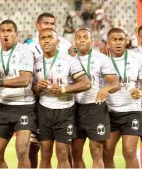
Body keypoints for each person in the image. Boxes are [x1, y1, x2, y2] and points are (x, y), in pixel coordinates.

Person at [33, 28, 90, 168]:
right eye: (43, 38)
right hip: (43, 110)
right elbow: (32, 90)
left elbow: (85, 83)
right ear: (39, 42)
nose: (46, 40)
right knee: (45, 153)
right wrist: (37, 87)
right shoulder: (35, 62)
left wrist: (63, 89)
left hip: (65, 111)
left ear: (57, 42)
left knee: (63, 154)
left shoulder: (69, 60)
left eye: (50, 37)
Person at [22, 12, 72, 168]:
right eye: (46, 23)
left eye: (52, 24)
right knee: (35, 146)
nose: (49, 26)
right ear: (38, 26)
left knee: (64, 148)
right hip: (36, 99)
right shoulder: (27, 46)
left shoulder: (65, 44)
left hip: (62, 99)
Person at [0, 20, 35, 168]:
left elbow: (25, 80)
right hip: (4, 107)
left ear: (16, 34)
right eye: (3, 31)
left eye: (9, 30)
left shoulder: (25, 52)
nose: (6, 33)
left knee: (22, 151)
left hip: (24, 106)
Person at [71, 28, 120, 168]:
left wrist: (106, 88)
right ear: (74, 41)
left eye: (85, 37)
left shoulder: (101, 59)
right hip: (74, 108)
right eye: (78, 37)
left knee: (96, 150)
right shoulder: (68, 59)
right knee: (75, 151)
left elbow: (116, 83)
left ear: (92, 41)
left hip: (96, 108)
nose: (81, 40)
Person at [103, 28, 142, 169]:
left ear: (126, 41)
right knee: (106, 152)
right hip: (109, 112)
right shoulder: (102, 61)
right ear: (108, 42)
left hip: (132, 111)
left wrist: (140, 92)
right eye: (114, 39)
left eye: (121, 39)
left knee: (129, 150)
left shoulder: (137, 59)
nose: (118, 43)